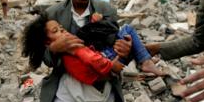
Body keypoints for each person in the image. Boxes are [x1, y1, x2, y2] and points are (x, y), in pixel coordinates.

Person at [22, 11, 165, 84]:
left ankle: (145, 59)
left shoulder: (102, 7)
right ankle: (146, 61)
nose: (63, 30)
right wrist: (53, 48)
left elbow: (108, 31)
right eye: (56, 31)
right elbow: (92, 59)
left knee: (126, 36)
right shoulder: (71, 46)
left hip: (105, 61)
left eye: (61, 28)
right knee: (128, 28)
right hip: (105, 67)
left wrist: (98, 22)